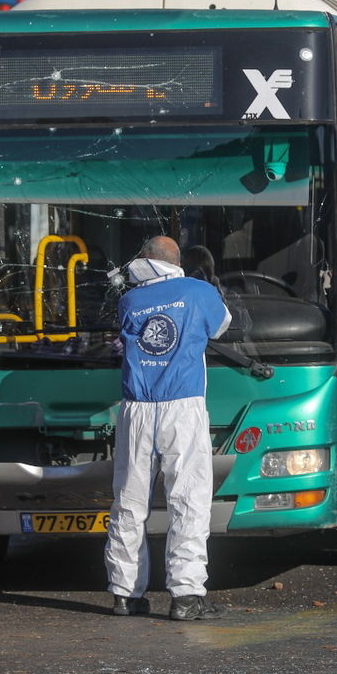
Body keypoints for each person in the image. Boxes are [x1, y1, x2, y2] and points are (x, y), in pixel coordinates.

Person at [105, 236, 231, 620]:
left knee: (129, 502)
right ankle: (186, 597)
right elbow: (223, 326)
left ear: (144, 260)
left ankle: (125, 594)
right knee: (188, 501)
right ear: (177, 263)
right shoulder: (198, 291)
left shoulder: (129, 300)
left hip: (136, 409)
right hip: (182, 406)